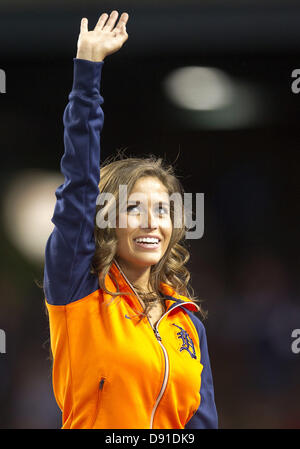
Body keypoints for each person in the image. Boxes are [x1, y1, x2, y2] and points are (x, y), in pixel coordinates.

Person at [43, 10, 218, 429]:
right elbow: (78, 186)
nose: (150, 223)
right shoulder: (79, 291)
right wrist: (88, 73)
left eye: (162, 211)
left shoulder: (187, 323)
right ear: (105, 219)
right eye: (133, 208)